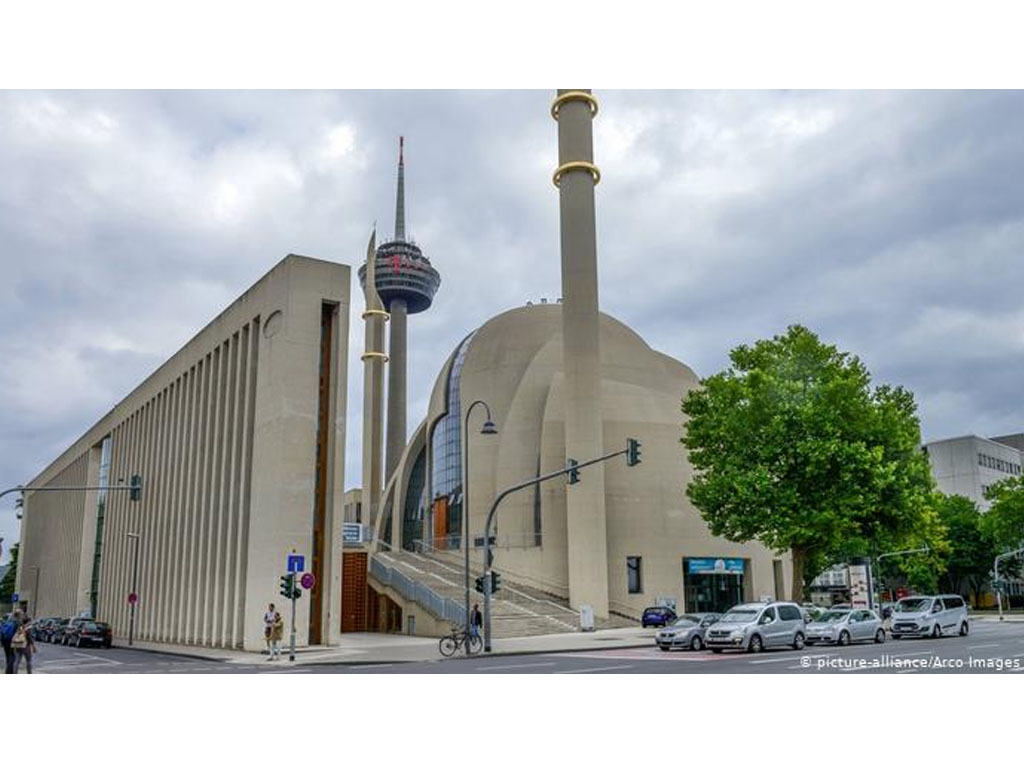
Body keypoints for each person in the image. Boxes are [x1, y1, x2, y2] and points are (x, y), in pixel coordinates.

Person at [1, 610, 18, 674]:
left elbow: (2, 633)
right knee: (12, 657)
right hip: (12, 641)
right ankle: (9, 671)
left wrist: (2, 643)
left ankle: (8, 670)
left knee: (7, 656)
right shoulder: (15, 623)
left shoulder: (4, 623)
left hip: (5, 641)